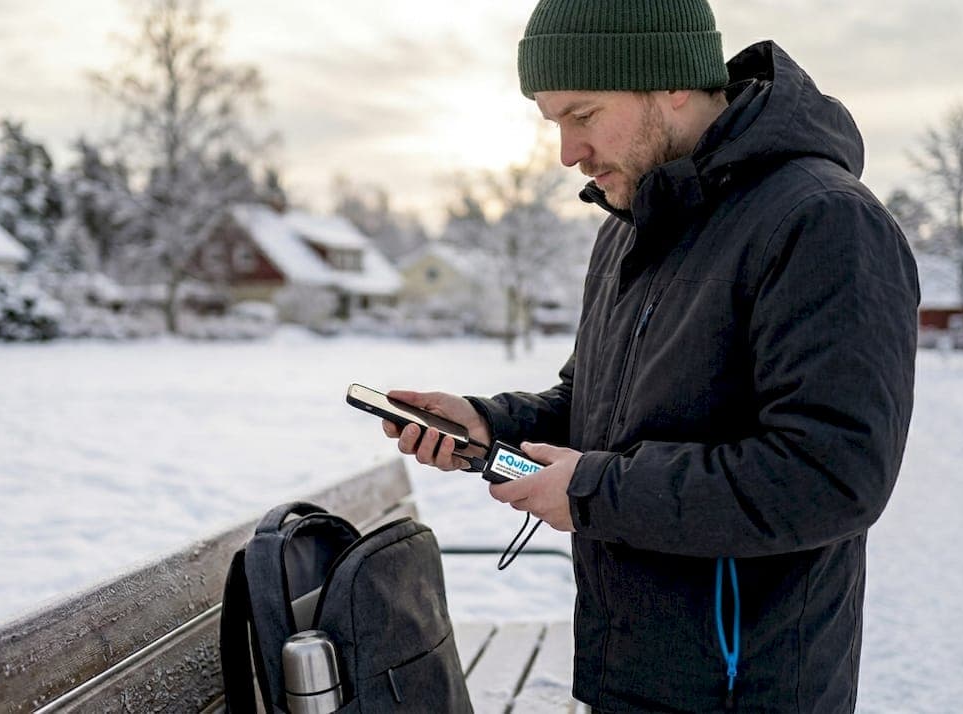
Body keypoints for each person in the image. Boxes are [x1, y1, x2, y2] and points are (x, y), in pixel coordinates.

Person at [383, 0, 919, 711]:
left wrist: (592, 492)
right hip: (627, 670)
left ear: (671, 83)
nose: (567, 152)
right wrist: (489, 426)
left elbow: (830, 476)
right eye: (554, 124)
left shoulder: (822, 222)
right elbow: (597, 407)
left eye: (584, 115)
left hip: (742, 688)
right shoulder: (633, 222)